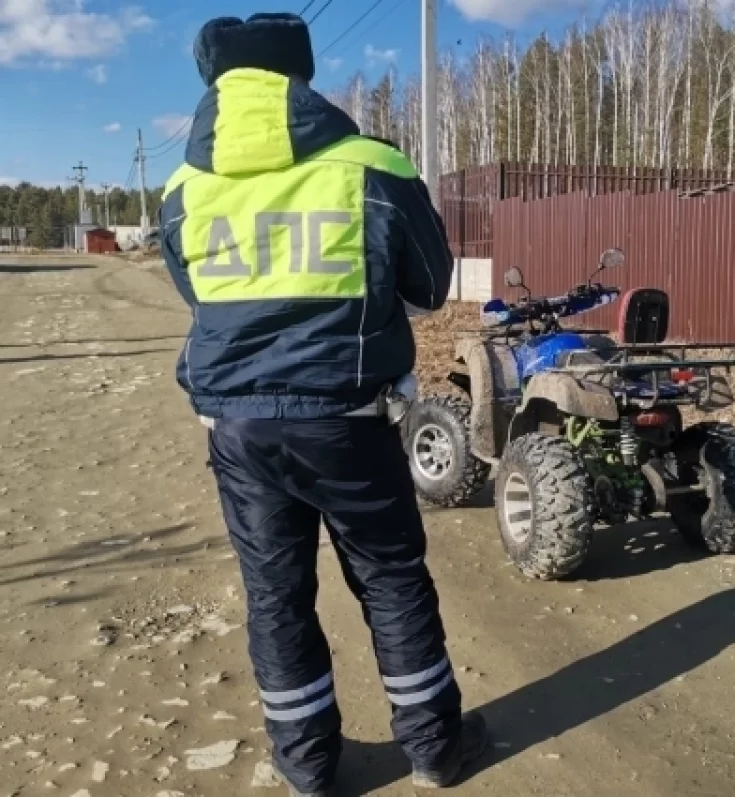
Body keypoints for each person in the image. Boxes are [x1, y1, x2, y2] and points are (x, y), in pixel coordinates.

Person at [157, 13, 487, 796]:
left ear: (215, 83)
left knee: (276, 596)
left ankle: (307, 766)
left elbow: (199, 298)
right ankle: (435, 751)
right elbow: (430, 286)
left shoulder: (182, 189)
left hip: (239, 428)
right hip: (348, 420)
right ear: (301, 77)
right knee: (392, 579)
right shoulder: (372, 164)